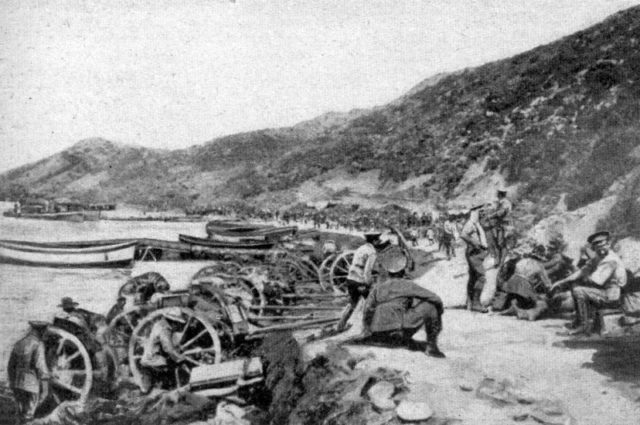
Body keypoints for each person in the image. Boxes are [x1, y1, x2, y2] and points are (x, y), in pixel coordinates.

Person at [362, 248, 445, 358]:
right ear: (403, 270)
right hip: (398, 331)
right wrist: (439, 311)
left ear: (387, 271)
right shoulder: (407, 284)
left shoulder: (378, 288)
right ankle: (431, 347)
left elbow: (367, 310)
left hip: (378, 333)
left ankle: (385, 336)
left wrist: (368, 330)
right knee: (431, 307)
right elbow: (436, 298)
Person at [551, 231, 626, 336]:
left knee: (578, 290)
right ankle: (579, 321)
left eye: (603, 245)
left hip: (612, 296)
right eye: (597, 247)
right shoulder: (598, 258)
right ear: (594, 248)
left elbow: (596, 281)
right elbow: (581, 271)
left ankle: (583, 326)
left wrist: (578, 280)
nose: (601, 249)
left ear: (608, 244)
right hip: (604, 292)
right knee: (576, 286)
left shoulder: (610, 260)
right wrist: (561, 282)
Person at [336, 232, 385, 332]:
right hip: (360, 282)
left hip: (351, 279)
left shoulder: (361, 248)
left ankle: (340, 326)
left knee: (352, 304)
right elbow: (367, 271)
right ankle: (367, 329)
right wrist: (369, 284)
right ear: (375, 241)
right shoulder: (372, 252)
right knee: (372, 304)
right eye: (378, 241)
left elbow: (357, 264)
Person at [8, 321, 51, 422]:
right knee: (29, 415)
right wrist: (45, 388)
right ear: (40, 330)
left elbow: (11, 366)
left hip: (17, 384)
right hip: (31, 386)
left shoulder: (19, 343)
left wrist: (12, 382)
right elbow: (41, 367)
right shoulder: (38, 344)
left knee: (20, 413)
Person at [140, 308, 189, 392]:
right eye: (177, 324)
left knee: (148, 389)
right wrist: (180, 358)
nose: (178, 326)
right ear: (173, 322)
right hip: (155, 362)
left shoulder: (160, 324)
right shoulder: (164, 329)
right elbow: (168, 348)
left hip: (149, 360)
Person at [461, 205, 489, 312]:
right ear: (474, 212)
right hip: (474, 253)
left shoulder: (476, 223)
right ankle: (476, 304)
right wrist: (475, 244)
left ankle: (470, 302)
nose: (482, 213)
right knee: (481, 277)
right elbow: (463, 235)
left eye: (483, 211)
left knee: (473, 277)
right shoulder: (471, 223)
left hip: (477, 253)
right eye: (480, 211)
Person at [487, 189, 512, 266]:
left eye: (498, 194)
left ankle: (502, 262)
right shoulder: (501, 202)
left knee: (501, 243)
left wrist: (491, 216)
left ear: (500, 194)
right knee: (498, 243)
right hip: (500, 225)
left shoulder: (505, 202)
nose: (497, 195)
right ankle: (499, 260)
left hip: (505, 225)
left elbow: (501, 213)